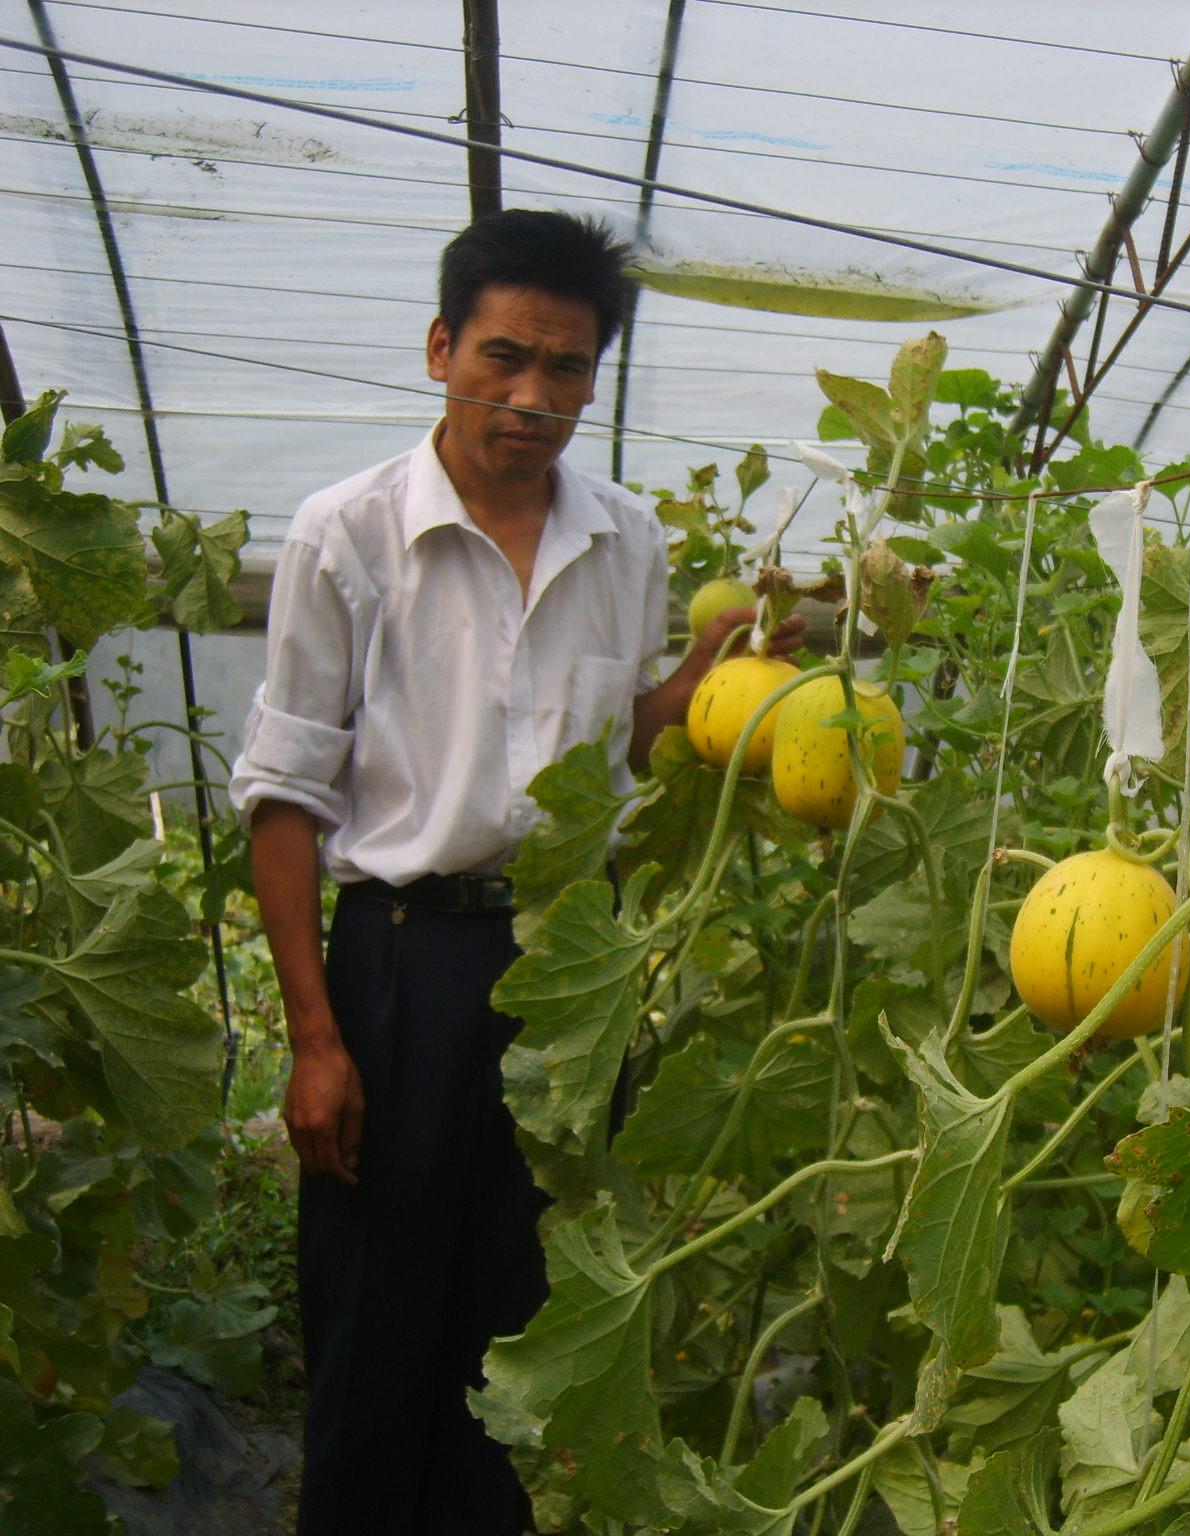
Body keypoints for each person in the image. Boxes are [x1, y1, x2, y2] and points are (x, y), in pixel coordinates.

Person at [227, 208, 804, 1536]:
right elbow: (285, 798)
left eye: (568, 369)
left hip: (567, 974)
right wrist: (314, 1039)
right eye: (504, 357)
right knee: (378, 1322)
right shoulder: (348, 534)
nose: (533, 397)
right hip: (399, 964)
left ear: (596, 377)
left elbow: (629, 752)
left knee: (528, 1318)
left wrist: (736, 665)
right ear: (442, 348)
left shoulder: (629, 541)